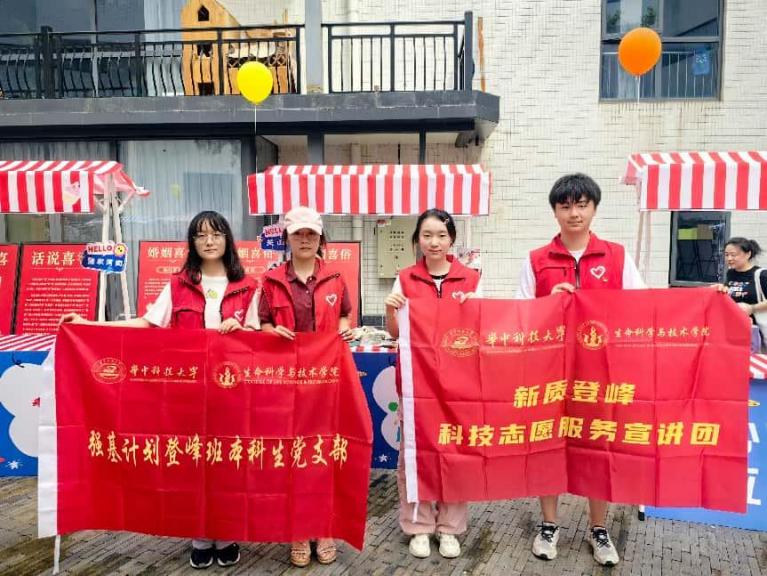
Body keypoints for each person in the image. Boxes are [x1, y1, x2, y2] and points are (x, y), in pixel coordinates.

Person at [61, 210, 259, 570]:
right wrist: (88, 324)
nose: (209, 241)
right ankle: (201, 535)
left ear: (227, 240)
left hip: (233, 393)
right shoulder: (179, 285)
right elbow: (147, 323)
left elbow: (261, 338)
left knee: (228, 463)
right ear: (192, 243)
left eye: (216, 234)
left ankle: (227, 533)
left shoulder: (248, 286)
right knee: (194, 464)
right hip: (189, 392)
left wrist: (242, 329)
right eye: (201, 235)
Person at [516, 173, 645, 567]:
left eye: (582, 205)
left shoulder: (616, 257)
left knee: (599, 446)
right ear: (555, 211)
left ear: (594, 208)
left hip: (600, 375)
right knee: (547, 445)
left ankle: (599, 528)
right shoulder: (536, 259)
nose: (574, 213)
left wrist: (707, 300)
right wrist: (547, 305)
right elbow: (521, 315)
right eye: (566, 206)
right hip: (550, 374)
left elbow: (643, 308)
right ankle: (549, 524)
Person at [258, 205, 353, 567]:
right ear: (287, 237)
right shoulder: (271, 281)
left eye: (311, 233)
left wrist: (343, 329)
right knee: (294, 456)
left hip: (325, 380)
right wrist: (272, 333)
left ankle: (323, 527)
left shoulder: (335, 278)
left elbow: (345, 314)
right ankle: (299, 529)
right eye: (298, 233)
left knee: (324, 454)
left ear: (320, 238)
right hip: (287, 382)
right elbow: (263, 324)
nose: (304, 239)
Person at [384, 208, 481, 560]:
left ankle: (450, 527)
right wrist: (391, 309)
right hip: (416, 385)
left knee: (455, 453)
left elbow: (481, 330)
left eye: (441, 235)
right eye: (427, 235)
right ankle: (419, 525)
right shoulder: (405, 278)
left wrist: (474, 309)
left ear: (451, 238)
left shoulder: (471, 279)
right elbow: (395, 333)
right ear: (418, 239)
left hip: (459, 384)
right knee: (415, 454)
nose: (434, 242)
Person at [718, 237, 767, 350]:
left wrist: (752, 308)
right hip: (734, 331)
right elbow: (729, 293)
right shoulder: (731, 273)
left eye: (733, 255)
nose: (729, 258)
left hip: (757, 334)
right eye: (726, 255)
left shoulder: (761, 275)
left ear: (747, 254)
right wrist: (721, 290)